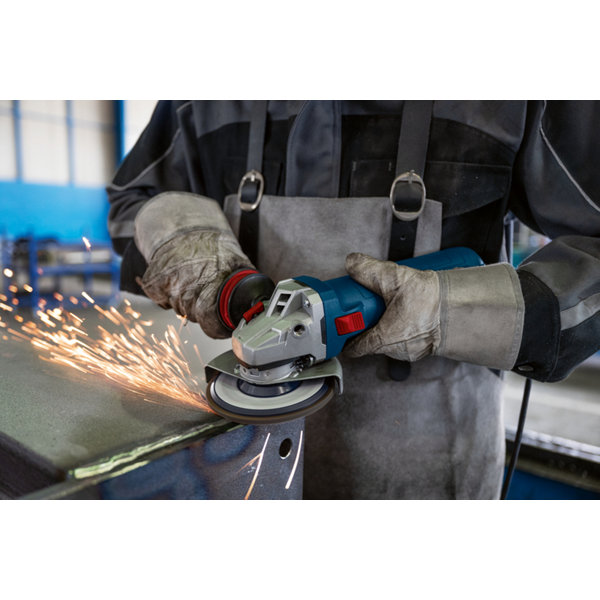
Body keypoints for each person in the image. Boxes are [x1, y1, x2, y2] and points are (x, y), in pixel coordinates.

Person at [107, 101, 600, 499]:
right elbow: (131, 200)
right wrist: (186, 245)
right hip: (248, 464)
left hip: (431, 470)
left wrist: (453, 310)